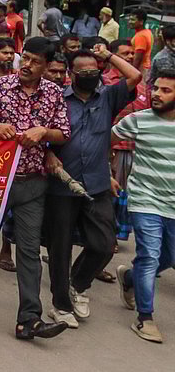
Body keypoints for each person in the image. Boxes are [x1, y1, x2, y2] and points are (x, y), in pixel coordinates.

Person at [0, 37, 71, 339]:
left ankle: (29, 318)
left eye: (35, 61)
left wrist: (44, 131)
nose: (27, 65)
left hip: (33, 183)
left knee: (28, 251)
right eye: (24, 58)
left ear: (47, 66)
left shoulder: (55, 93)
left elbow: (64, 133)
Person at [43, 44, 140, 330]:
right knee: (59, 248)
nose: (88, 74)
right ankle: (60, 305)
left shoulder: (108, 96)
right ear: (71, 74)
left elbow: (134, 76)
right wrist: (48, 153)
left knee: (104, 244)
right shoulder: (57, 99)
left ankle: (79, 283)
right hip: (62, 185)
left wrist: (108, 56)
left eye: (93, 70)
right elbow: (44, 133)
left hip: (97, 184)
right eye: (81, 70)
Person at [114, 68, 175, 343]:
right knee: (150, 254)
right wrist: (106, 173)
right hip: (145, 199)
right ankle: (145, 318)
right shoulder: (138, 120)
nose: (157, 95)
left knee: (170, 257)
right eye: (156, 89)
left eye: (166, 90)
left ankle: (129, 278)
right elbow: (105, 140)